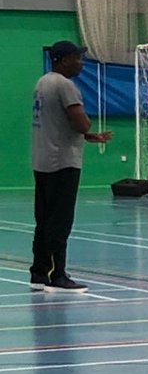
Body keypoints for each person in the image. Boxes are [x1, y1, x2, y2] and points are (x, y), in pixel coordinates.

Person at [30, 40, 112, 292]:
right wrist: (86, 128)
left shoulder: (43, 82)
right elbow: (80, 122)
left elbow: (56, 121)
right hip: (62, 163)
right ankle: (57, 275)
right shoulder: (66, 86)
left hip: (42, 160)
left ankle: (39, 272)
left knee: (44, 219)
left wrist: (86, 136)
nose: (81, 62)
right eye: (77, 58)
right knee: (60, 221)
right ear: (63, 60)